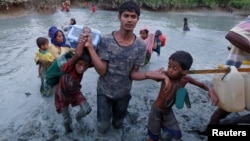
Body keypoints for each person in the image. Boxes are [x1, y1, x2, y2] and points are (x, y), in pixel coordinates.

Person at [82, 0, 170, 134]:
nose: (129, 20)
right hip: (104, 93)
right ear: (119, 17)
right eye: (126, 15)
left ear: (137, 19)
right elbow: (101, 70)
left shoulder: (141, 45)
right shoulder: (106, 40)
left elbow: (133, 74)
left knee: (118, 124)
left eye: (133, 16)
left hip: (124, 94)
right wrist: (90, 47)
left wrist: (149, 75)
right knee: (103, 127)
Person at [147, 50, 219, 141]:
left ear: (184, 72)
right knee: (153, 138)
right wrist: (161, 75)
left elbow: (203, 85)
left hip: (168, 112)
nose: (170, 70)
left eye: (174, 68)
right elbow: (148, 74)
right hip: (156, 111)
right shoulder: (165, 75)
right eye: (169, 66)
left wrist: (210, 90)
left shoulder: (185, 79)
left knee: (177, 135)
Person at [199, 15, 250, 136]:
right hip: (241, 77)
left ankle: (209, 133)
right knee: (225, 110)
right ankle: (228, 127)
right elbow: (232, 35)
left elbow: (230, 46)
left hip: (237, 77)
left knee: (222, 110)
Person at [54, 27, 92, 133]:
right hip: (62, 95)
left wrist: (90, 43)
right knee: (67, 120)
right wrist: (84, 35)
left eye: (85, 66)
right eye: (79, 64)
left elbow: (96, 61)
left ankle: (78, 118)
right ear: (74, 62)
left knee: (87, 109)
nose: (82, 69)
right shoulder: (68, 66)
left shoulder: (85, 65)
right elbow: (78, 55)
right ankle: (68, 132)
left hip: (75, 92)